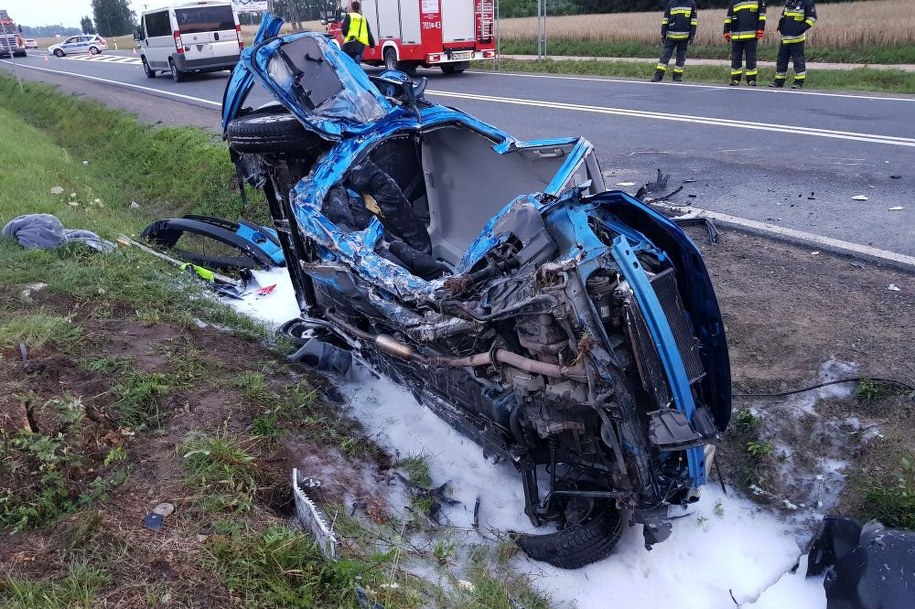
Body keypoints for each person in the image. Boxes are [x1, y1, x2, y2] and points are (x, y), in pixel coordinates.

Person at [770, 0, 817, 89]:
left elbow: (812, 18)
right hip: (785, 38)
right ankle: (778, 81)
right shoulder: (789, 2)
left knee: (798, 61)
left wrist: (800, 29)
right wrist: (781, 27)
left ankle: (798, 82)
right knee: (781, 61)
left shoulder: (807, 2)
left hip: (797, 39)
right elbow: (783, 16)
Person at [652, 0, 698, 83]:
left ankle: (677, 76)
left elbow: (693, 20)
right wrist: (663, 33)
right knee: (665, 56)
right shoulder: (671, 3)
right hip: (671, 36)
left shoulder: (691, 3)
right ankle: (658, 75)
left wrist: (692, 35)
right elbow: (666, 19)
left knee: (681, 58)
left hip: (684, 37)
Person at [723, 0, 766, 86]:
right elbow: (729, 17)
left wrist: (761, 29)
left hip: (751, 35)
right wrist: (726, 30)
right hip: (736, 36)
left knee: (751, 58)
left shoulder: (758, 1)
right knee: (736, 58)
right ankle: (735, 79)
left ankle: (751, 80)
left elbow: (762, 16)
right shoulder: (734, 1)